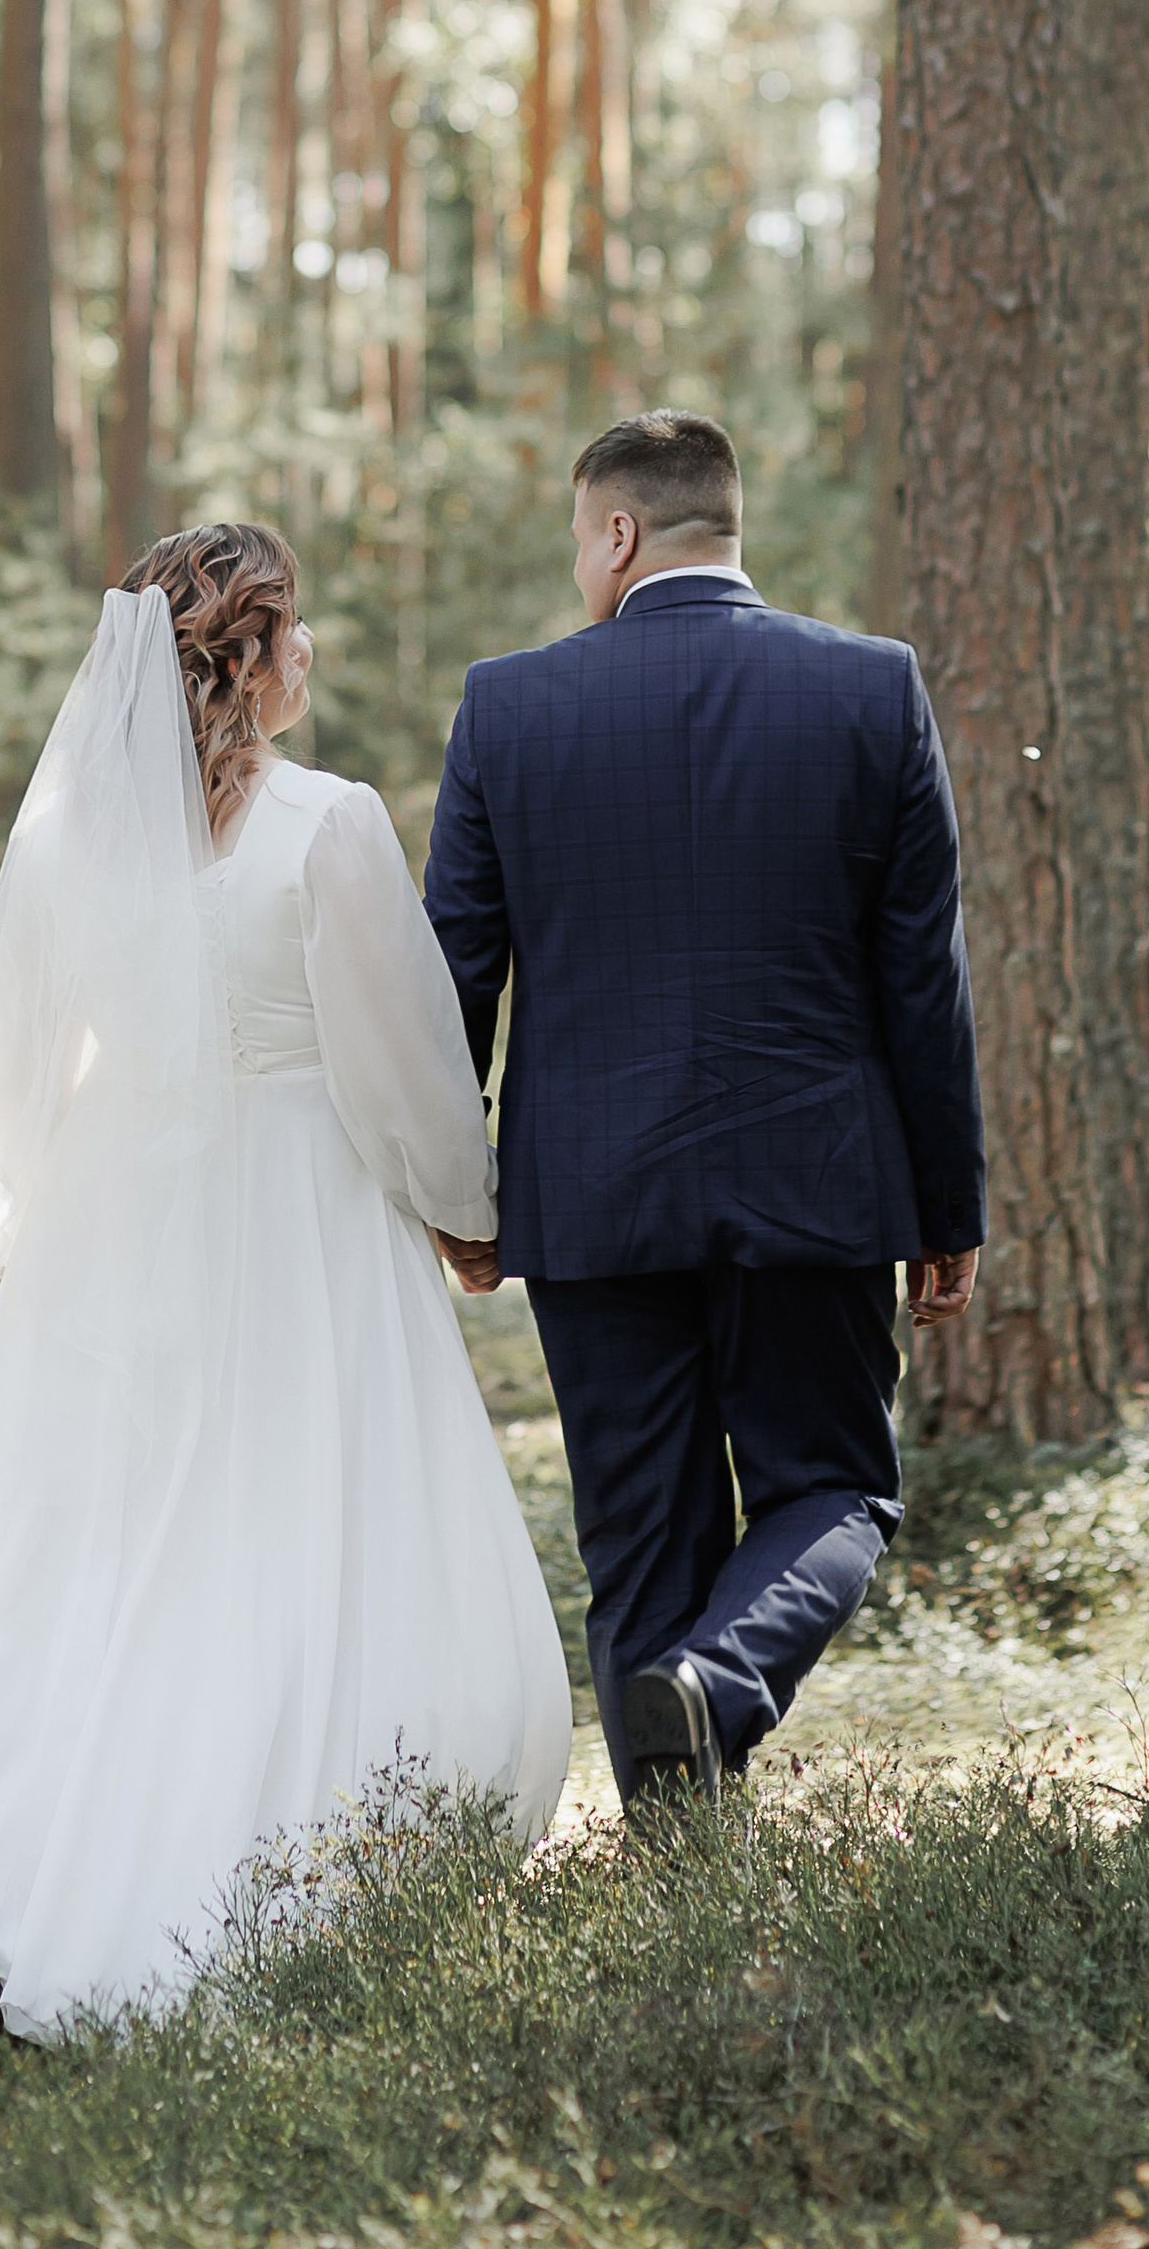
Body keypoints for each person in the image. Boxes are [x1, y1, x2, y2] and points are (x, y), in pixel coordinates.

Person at [0, 523, 571, 2038]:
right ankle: (223, 1853)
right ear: (250, 660)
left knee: (105, 1531)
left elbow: (36, 1053)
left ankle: (19, 1841)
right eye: (296, 627)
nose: (311, 651)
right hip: (298, 1213)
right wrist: (467, 1214)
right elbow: (401, 1066)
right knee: (282, 1515)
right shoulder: (326, 825)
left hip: (115, 1211)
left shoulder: (72, 832)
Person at [423, 411, 984, 1811]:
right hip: (818, 1183)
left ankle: (675, 1852)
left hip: (591, 1194)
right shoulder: (871, 689)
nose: (579, 564)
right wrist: (947, 1204)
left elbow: (454, 981)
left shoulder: (508, 707)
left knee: (640, 1536)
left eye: (579, 539)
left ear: (618, 533)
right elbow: (922, 980)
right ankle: (719, 1687)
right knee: (834, 1490)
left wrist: (459, 1195)